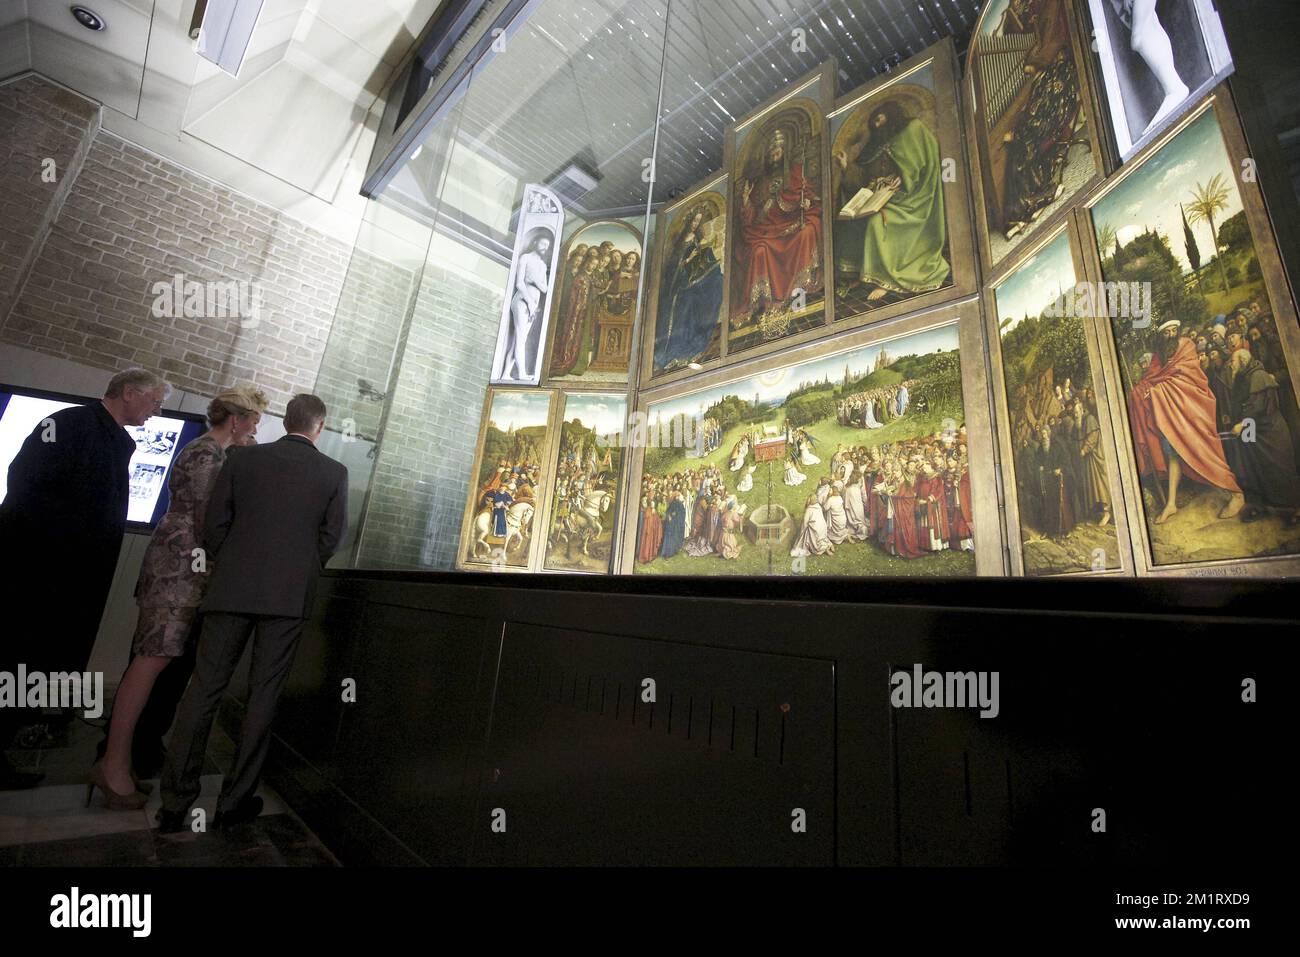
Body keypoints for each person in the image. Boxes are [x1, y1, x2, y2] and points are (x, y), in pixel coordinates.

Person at [158, 394, 347, 831]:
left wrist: (231, 565)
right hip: (287, 598)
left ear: (286, 421)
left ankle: (174, 801)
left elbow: (214, 523)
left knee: (203, 690)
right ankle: (234, 800)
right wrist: (298, 569)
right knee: (264, 694)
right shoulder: (333, 473)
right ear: (320, 426)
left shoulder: (242, 461)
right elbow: (331, 538)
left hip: (231, 589)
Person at [88, 388, 269, 808]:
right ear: (237, 420)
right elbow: (213, 517)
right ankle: (112, 765)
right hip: (180, 567)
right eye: (254, 423)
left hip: (188, 568)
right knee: (151, 659)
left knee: (159, 662)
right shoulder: (208, 454)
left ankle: (124, 759)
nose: (254, 431)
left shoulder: (214, 452)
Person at [0, 368, 169, 790]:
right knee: (17, 659)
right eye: (154, 400)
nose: (157, 410)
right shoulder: (70, 424)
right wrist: (49, 555)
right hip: (40, 577)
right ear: (129, 393)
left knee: (38, 664)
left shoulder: (111, 438)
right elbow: (25, 488)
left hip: (71, 580)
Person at [1127, 319, 1244, 523]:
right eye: (1167, 332)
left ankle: (1236, 494)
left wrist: (1157, 391)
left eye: (1174, 330)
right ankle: (1171, 503)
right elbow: (1150, 379)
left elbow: (1187, 380)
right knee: (1174, 454)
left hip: (1191, 412)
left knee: (1202, 451)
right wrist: (1138, 391)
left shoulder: (1186, 346)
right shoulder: (1158, 356)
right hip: (1169, 416)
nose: (1172, 335)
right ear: (1161, 336)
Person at [497, 231, 553, 381]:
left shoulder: (542, 264)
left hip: (533, 304)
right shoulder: (525, 258)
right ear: (535, 243)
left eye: (547, 246)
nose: (544, 247)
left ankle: (505, 374)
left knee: (518, 340)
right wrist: (529, 302)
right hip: (522, 300)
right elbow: (519, 283)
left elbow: (545, 288)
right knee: (521, 339)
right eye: (542, 244)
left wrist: (534, 281)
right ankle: (521, 373)